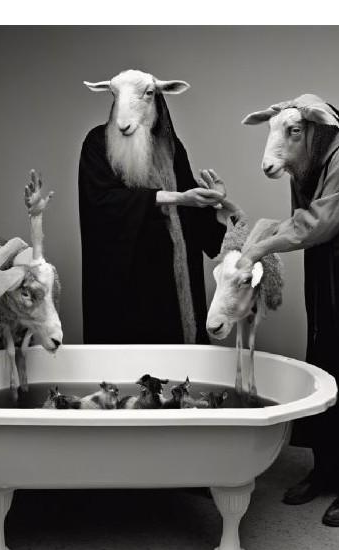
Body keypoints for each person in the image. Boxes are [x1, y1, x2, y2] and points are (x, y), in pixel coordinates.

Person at [240, 94, 339, 527]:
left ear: (314, 128)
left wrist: (258, 246)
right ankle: (326, 467)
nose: (285, 142)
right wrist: (260, 235)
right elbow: (302, 219)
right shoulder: (305, 159)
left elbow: (317, 223)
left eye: (294, 131)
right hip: (327, 261)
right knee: (325, 356)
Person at [79, 69, 242, 345]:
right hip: (129, 287)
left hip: (176, 289)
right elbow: (101, 204)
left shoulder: (172, 147)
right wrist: (176, 198)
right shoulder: (98, 144)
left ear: (156, 99)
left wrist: (214, 201)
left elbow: (194, 217)